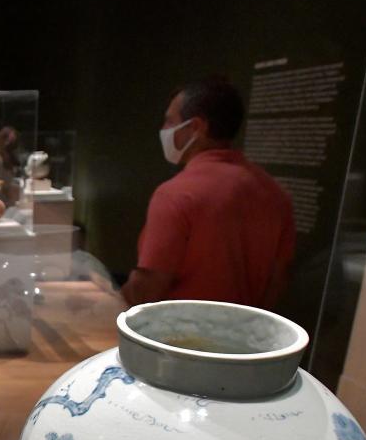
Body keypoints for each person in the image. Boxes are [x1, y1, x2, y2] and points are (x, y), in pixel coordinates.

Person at [122, 76, 295, 309]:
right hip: (244, 339)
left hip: (178, 338)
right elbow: (278, 282)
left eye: (169, 121)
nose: (163, 130)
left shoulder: (176, 194)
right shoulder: (276, 194)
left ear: (196, 127)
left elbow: (149, 288)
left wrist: (110, 294)